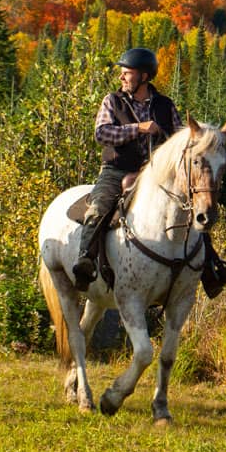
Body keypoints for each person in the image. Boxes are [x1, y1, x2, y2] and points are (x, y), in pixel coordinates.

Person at [72, 47, 180, 290]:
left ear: (143, 76)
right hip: (116, 170)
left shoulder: (165, 105)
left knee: (190, 204)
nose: (121, 77)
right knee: (99, 206)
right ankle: (85, 260)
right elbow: (101, 133)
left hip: (154, 174)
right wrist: (138, 128)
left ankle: (211, 267)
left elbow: (178, 138)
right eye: (122, 73)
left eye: (127, 73)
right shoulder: (112, 100)